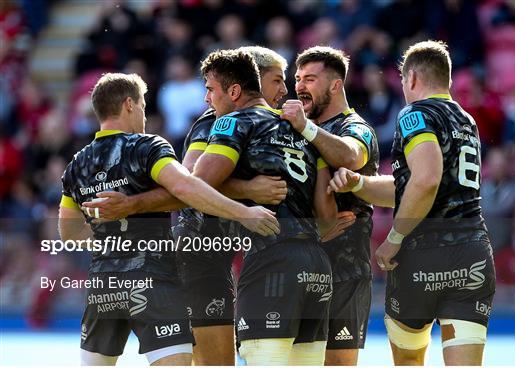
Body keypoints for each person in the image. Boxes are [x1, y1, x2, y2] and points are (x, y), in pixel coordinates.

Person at [81, 46, 290, 365]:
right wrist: (247, 191)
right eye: (277, 80)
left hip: (227, 254)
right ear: (253, 83)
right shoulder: (213, 123)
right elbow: (190, 181)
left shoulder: (269, 124)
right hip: (199, 252)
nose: (285, 90)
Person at [328, 40, 495, 366]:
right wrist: (359, 183)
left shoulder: (415, 114)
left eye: (403, 81)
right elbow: (416, 187)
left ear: (413, 79)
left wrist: (395, 238)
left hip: (425, 255)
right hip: (473, 250)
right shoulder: (466, 121)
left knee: (408, 361)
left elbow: (426, 180)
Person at [195, 49, 336, 365]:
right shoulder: (305, 131)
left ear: (234, 92)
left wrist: (244, 192)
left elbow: (195, 186)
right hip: (316, 266)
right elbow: (327, 219)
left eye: (210, 89)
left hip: (271, 262)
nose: (207, 99)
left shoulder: (234, 122)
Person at [280, 46, 379, 365]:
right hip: (294, 267)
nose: (299, 86)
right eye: (297, 78)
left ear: (336, 85)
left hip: (344, 270)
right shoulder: (292, 131)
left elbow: (351, 156)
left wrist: (306, 128)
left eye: (310, 79)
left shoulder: (356, 127)